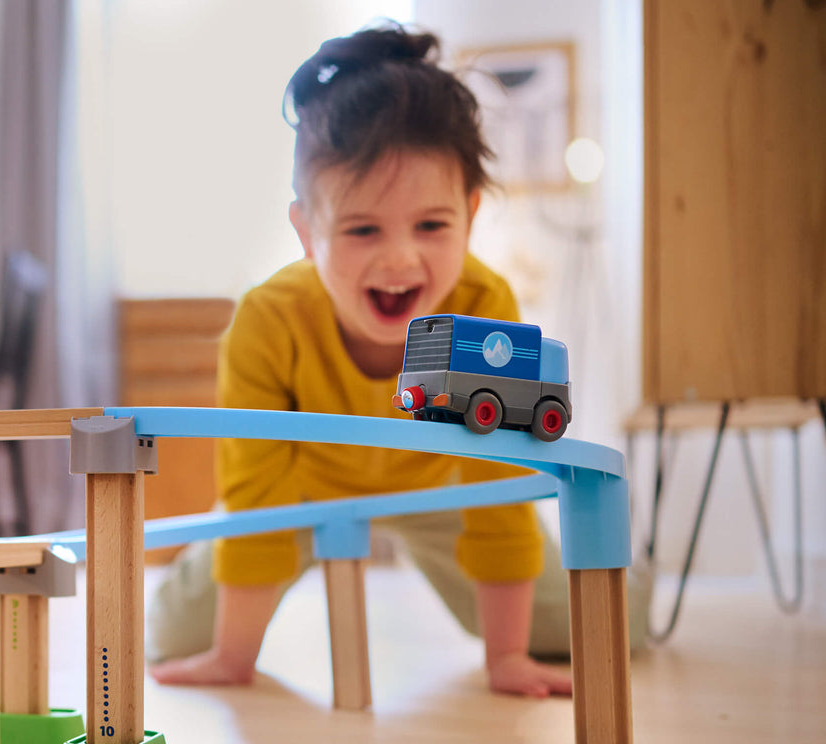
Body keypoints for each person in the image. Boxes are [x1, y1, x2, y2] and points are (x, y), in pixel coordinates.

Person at [145, 21, 647, 698]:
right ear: (307, 232)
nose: (400, 260)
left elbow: (496, 493)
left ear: (470, 215)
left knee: (611, 623)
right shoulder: (267, 319)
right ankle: (192, 578)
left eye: (432, 226)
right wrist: (233, 659)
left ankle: (632, 583)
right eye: (362, 229)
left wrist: (506, 659)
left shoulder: (483, 304)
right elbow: (256, 493)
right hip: (298, 493)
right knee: (174, 635)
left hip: (442, 487)